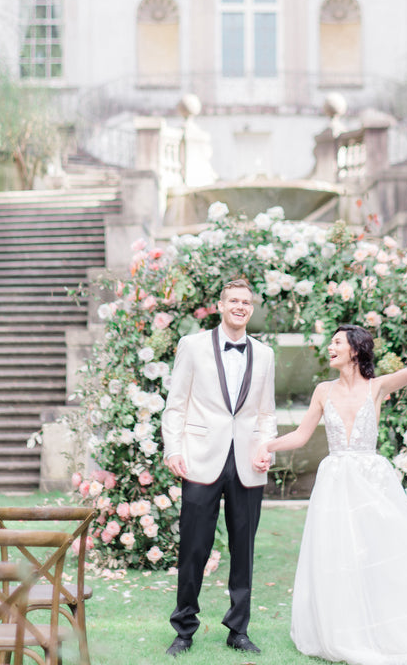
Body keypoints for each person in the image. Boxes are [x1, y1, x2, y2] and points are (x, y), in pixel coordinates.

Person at [253, 323, 407, 665]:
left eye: (337, 342)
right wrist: (268, 445)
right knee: (337, 554)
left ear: (355, 349)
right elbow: (300, 434)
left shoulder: (377, 387)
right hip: (335, 483)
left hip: (371, 480)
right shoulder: (323, 391)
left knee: (380, 550)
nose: (330, 347)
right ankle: (345, 629)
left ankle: (387, 625)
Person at [161, 278, 277, 657]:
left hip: (248, 463)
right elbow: (176, 403)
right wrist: (173, 449)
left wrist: (266, 450)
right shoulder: (192, 345)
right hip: (199, 458)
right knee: (194, 547)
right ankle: (184, 629)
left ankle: (238, 629)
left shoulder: (265, 354)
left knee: (243, 549)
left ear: (251, 308)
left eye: (246, 302)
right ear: (221, 305)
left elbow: (266, 413)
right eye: (234, 301)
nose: (240, 306)